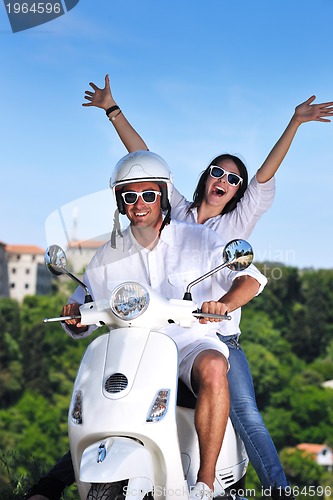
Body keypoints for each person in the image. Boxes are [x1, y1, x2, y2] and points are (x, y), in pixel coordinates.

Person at [26, 151, 266, 500]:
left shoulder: (197, 238)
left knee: (215, 367)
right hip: (135, 348)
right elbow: (84, 302)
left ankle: (205, 482)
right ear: (120, 203)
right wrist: (76, 318)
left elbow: (251, 280)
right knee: (100, 397)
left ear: (163, 197)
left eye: (148, 195)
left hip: (188, 341)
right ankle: (55, 482)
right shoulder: (108, 254)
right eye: (130, 196)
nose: (139, 204)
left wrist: (223, 304)